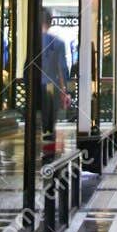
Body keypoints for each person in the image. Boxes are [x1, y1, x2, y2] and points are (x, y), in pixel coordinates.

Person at [40, 8, 69, 154]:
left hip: (35, 85)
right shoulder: (58, 43)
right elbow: (62, 69)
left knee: (37, 120)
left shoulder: (32, 41)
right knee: (50, 123)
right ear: (50, 22)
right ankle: (48, 151)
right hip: (51, 86)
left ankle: (34, 153)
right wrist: (65, 91)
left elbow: (27, 67)